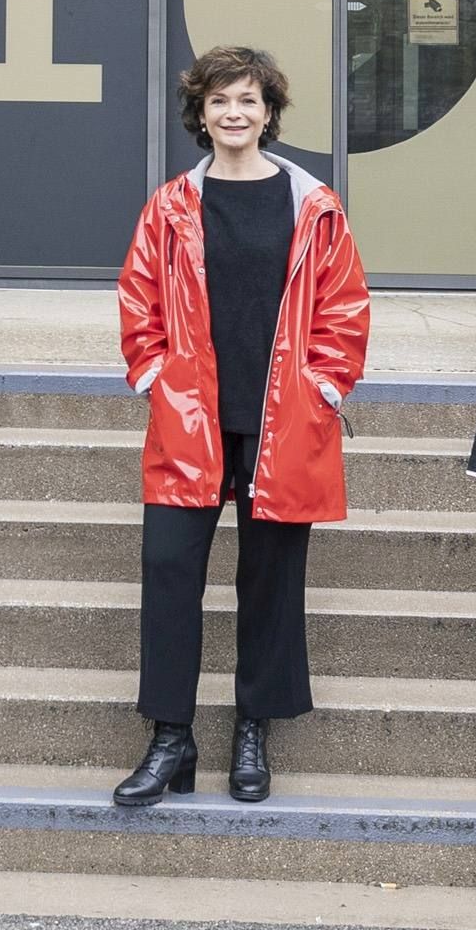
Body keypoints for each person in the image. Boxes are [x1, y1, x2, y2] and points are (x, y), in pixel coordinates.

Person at [108, 46, 370, 809]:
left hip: (284, 420)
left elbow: (344, 305)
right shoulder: (169, 205)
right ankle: (169, 737)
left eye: (248, 100)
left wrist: (323, 384)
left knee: (269, 583)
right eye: (220, 100)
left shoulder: (311, 202)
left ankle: (252, 727)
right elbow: (138, 299)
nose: (234, 113)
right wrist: (154, 376)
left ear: (267, 112)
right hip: (190, 418)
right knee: (167, 572)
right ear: (201, 112)